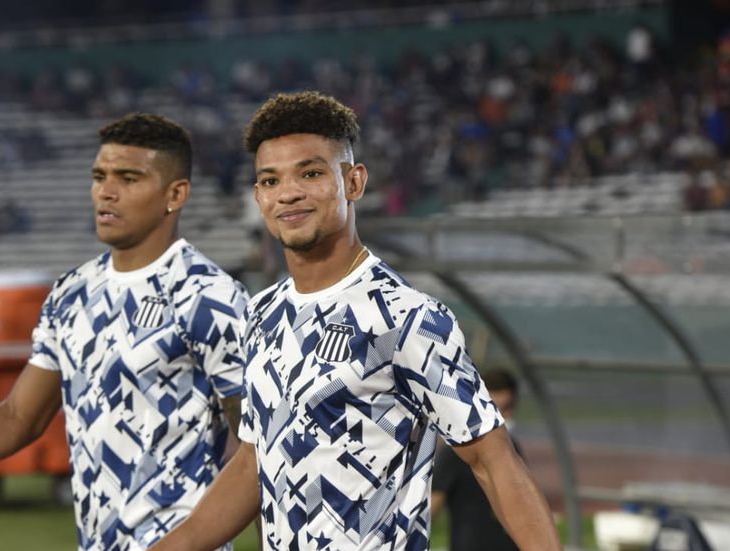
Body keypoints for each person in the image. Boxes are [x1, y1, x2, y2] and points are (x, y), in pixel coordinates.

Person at [151, 91, 561, 550]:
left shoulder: (407, 316)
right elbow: (253, 462)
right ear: (259, 197)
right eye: (270, 181)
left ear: (354, 182)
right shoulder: (262, 313)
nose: (288, 193)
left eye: (310, 173)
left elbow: (491, 460)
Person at [0, 113, 249, 551]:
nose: (106, 191)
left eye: (129, 178)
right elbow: (18, 417)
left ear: (176, 194)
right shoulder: (72, 292)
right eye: (99, 176)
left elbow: (255, 453)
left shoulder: (210, 297)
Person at [432, 369, 525, 551]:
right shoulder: (457, 451)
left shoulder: (513, 449)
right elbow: (431, 506)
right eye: (499, 410)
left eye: (509, 408)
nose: (506, 418)